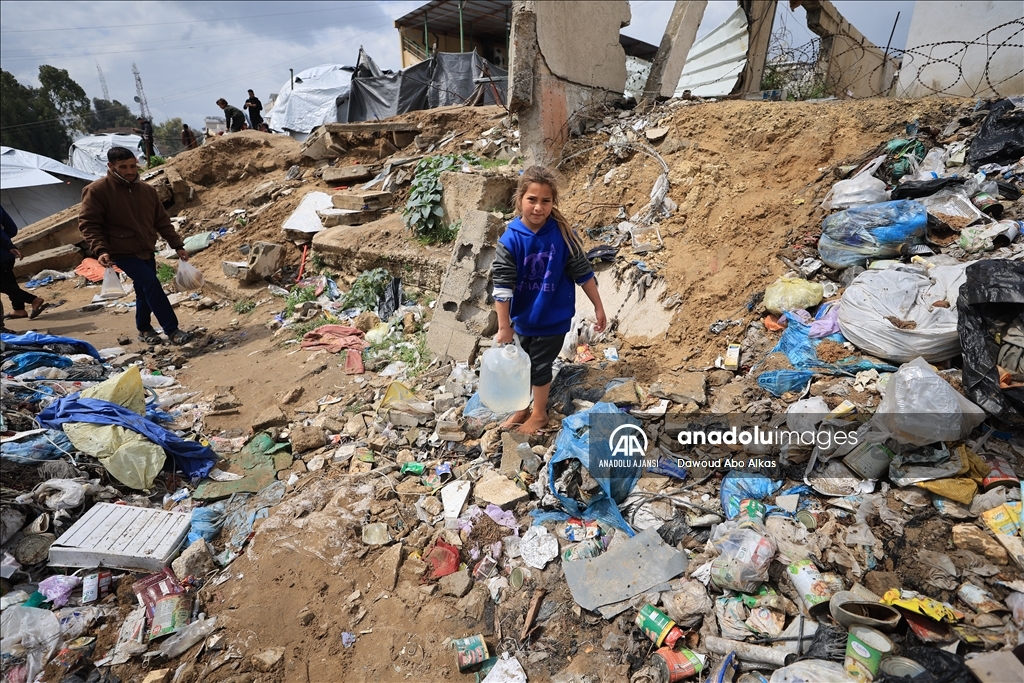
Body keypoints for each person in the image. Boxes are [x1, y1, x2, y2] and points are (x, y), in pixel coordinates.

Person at [490, 166, 607, 434]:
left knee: (539, 368)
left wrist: (598, 306)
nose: (538, 207)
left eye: (546, 201)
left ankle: (539, 414)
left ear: (553, 203)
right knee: (523, 366)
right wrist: (504, 326)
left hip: (553, 317)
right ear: (520, 199)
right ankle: (523, 408)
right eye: (532, 199)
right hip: (522, 318)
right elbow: (502, 286)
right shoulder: (511, 240)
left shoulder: (563, 235)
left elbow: (583, 274)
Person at [78, 147, 194, 345]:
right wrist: (101, 249)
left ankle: (144, 329)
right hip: (121, 251)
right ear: (111, 166)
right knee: (151, 283)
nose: (130, 171)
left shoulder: (147, 191)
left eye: (133, 166)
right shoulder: (97, 191)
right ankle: (172, 330)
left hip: (146, 247)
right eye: (123, 167)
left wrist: (177, 245)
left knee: (143, 289)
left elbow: (162, 221)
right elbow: (89, 224)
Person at [1, 205, 48, 326]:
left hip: (4, 252)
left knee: (3, 284)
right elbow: (11, 229)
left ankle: (33, 300)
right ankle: (18, 309)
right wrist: (6, 241)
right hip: (6, 253)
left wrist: (6, 245)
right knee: (8, 281)